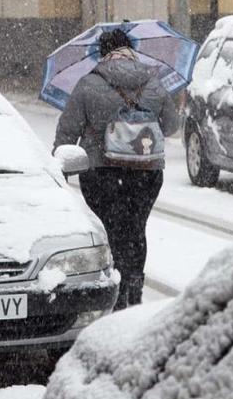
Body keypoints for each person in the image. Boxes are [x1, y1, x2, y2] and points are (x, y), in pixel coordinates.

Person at [54, 29, 179, 310]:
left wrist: (58, 166)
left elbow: (67, 130)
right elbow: (171, 126)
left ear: (102, 52)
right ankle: (134, 290)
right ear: (130, 49)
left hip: (101, 173)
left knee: (110, 230)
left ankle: (115, 293)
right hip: (146, 172)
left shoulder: (88, 83)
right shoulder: (153, 81)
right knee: (136, 229)